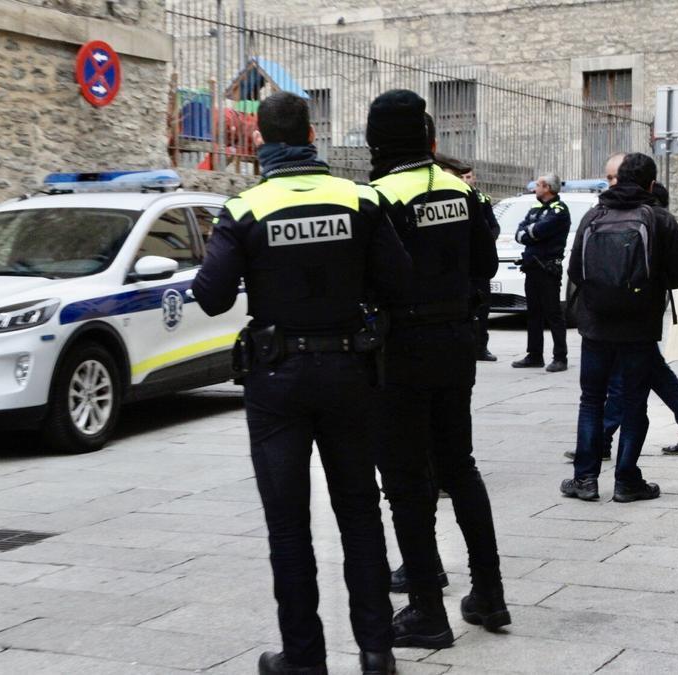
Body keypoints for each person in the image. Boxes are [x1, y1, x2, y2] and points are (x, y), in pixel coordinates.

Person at [192, 91, 411, 674]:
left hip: (277, 378)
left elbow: (211, 297)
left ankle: (304, 659)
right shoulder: (360, 199)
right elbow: (398, 279)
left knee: (288, 524)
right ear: (312, 135)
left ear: (261, 141)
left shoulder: (244, 209)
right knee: (360, 511)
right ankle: (376, 652)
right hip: (348, 371)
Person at [365, 89, 507, 648]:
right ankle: (489, 593)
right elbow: (487, 263)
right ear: (429, 138)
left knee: (404, 479)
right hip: (456, 342)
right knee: (459, 467)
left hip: (400, 349)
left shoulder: (376, 198)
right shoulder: (462, 191)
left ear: (379, 142)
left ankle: (426, 608)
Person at [560, 153, 678, 502]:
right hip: (639, 327)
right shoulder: (660, 219)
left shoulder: (594, 214)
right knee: (635, 403)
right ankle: (626, 481)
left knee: (591, 401)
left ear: (616, 180)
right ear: (651, 184)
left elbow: (575, 271)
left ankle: (585, 479)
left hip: (596, 326)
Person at [436, 153, 501, 362]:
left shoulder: (480, 199)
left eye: (468, 177)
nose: (465, 180)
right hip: (458, 265)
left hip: (477, 262)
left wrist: (484, 241)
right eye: (461, 177)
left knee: (482, 308)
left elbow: (492, 226)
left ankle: (481, 347)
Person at [512, 173, 570, 372]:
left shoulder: (559, 210)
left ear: (547, 188)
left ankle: (560, 357)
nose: (534, 188)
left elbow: (538, 232)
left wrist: (529, 233)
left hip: (548, 268)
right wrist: (529, 233)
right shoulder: (536, 208)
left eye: (537, 185)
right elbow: (519, 232)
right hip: (532, 267)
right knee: (533, 312)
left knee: (553, 313)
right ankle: (534, 354)